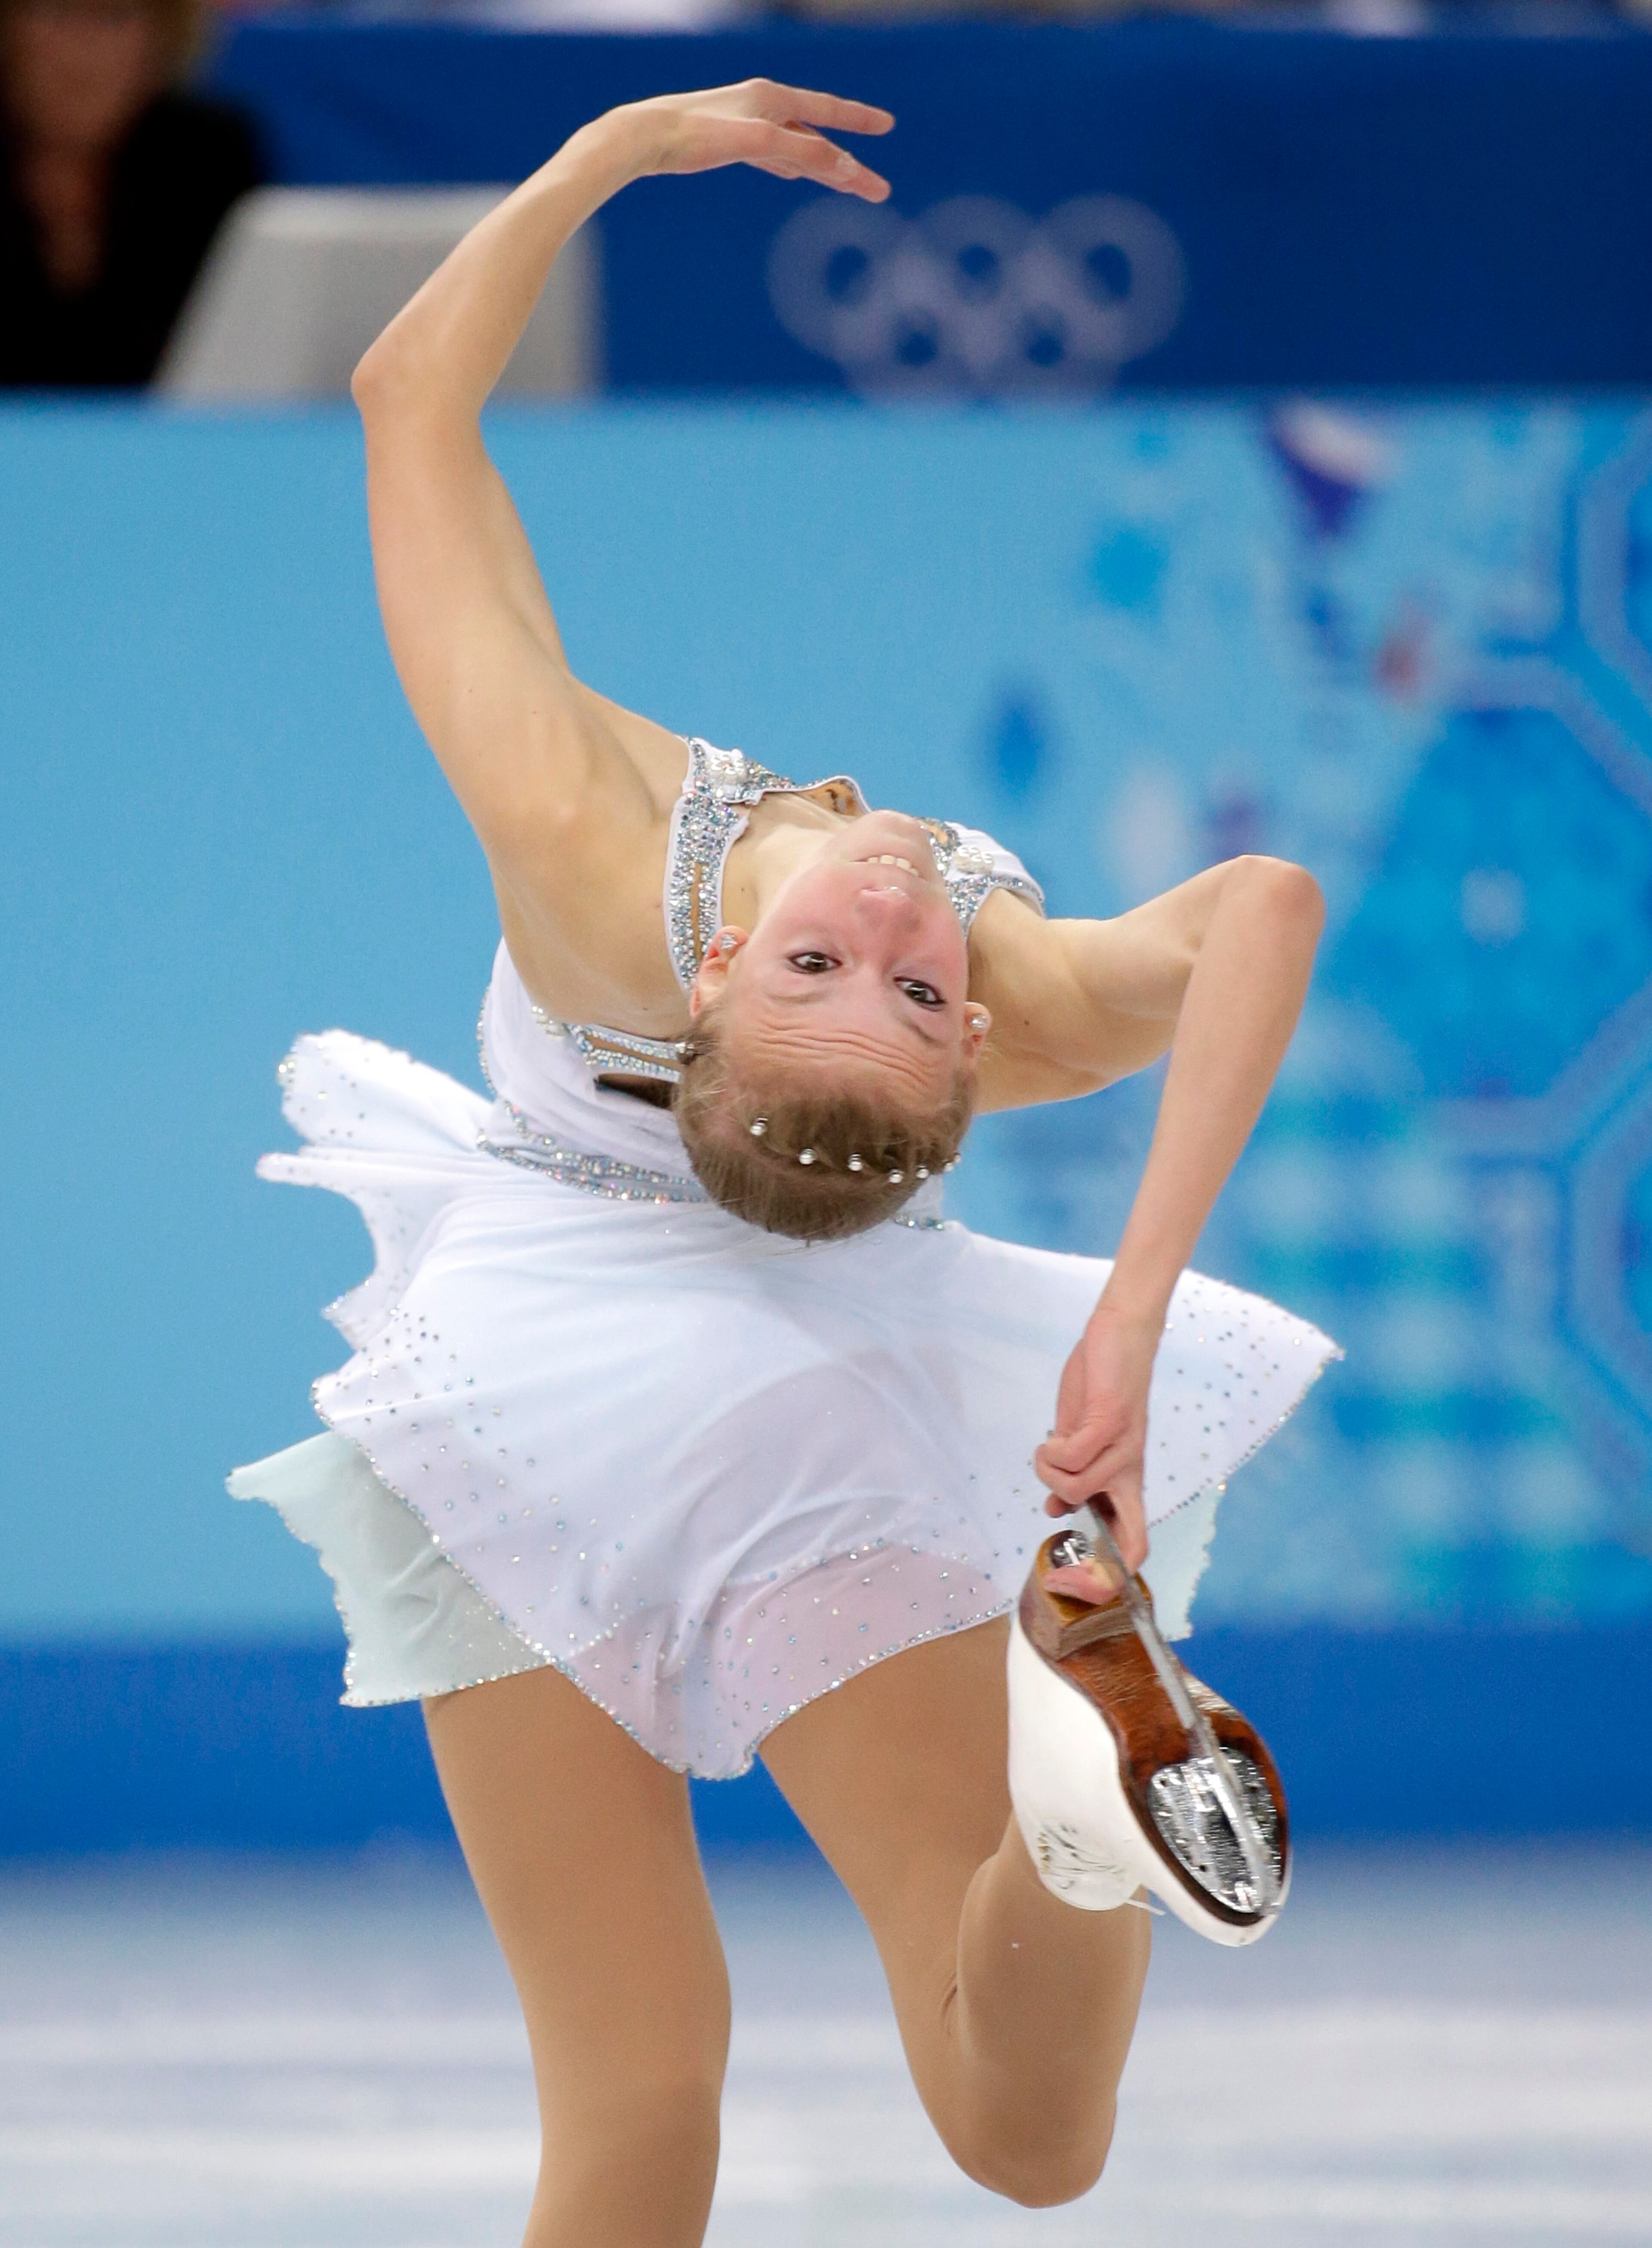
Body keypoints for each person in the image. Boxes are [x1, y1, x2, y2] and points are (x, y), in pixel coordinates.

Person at [229, 81, 1337, 2248]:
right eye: (901, 982)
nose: (920, 934)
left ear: (724, 961)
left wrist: (598, 161)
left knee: (639, 2101)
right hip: (759, 1382)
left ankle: (1082, 1837)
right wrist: (1124, 1307)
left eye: (883, 970)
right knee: (1028, 2133)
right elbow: (1264, 913)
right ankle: (1076, 1839)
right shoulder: (1010, 979)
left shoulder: (594, 845)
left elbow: (404, 398)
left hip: (529, 1394)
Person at [0, 0, 261, 388]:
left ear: (163, 37)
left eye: (114, 16)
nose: (81, 48)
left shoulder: (211, 158)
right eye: (54, 12)